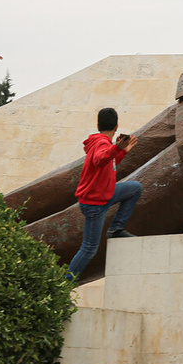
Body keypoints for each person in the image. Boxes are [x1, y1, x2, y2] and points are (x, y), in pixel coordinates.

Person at [66, 108, 141, 282]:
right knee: (89, 248)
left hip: (105, 194)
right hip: (94, 203)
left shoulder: (102, 143)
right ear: (116, 127)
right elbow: (100, 159)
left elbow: (108, 163)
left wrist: (122, 151)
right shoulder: (101, 144)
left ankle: (115, 229)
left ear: (98, 125)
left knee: (134, 188)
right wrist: (116, 148)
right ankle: (63, 287)